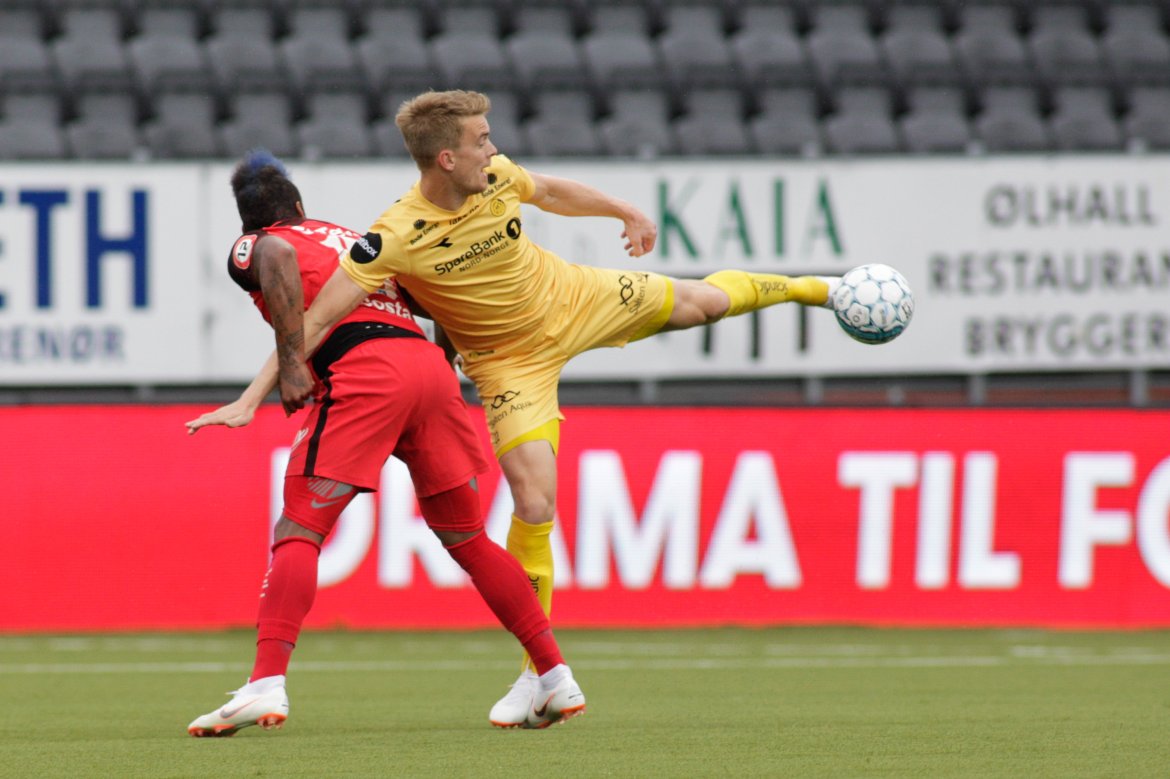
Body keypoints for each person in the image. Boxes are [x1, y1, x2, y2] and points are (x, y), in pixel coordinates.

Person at [187, 91, 841, 728]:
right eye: (479, 139)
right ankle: (546, 674)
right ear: (445, 158)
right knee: (520, 509)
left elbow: (548, 194)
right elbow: (374, 306)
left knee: (704, 302)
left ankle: (821, 288)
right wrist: (417, 368)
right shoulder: (380, 235)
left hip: (549, 304)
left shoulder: (473, 183)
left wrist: (623, 209)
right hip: (488, 363)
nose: (492, 148)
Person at [185, 149, 584, 737]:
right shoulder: (355, 238)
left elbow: (275, 254)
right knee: (469, 539)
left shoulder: (258, 241)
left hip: (364, 371)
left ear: (253, 220)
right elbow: (441, 286)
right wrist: (442, 362)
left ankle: (266, 683)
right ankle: (554, 675)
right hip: (427, 371)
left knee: (299, 529)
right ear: (300, 204)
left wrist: (294, 366)